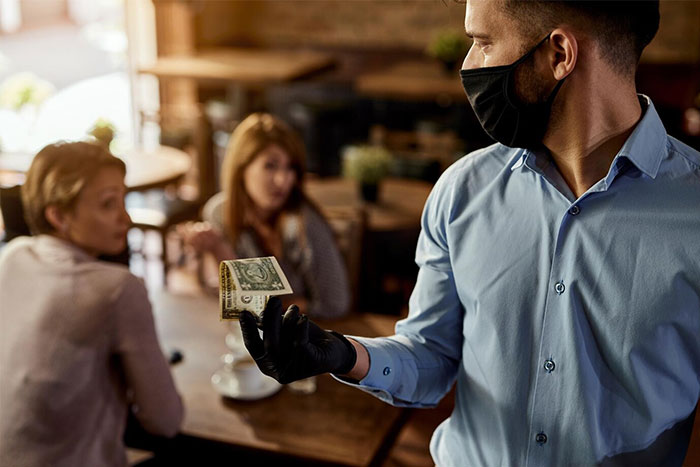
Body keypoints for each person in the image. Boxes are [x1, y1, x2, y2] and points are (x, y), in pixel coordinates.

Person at [238, 1, 700, 465]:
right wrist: (340, 354)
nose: (468, 66)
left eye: (482, 43)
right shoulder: (463, 191)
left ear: (559, 54)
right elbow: (431, 355)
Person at [0, 141, 183, 467]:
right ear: (58, 216)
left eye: (123, 200)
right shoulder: (119, 289)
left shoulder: (13, 256)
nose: (125, 218)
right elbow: (165, 420)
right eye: (108, 204)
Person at [184, 112, 350, 319]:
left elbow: (335, 304)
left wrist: (270, 305)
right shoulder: (219, 212)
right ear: (241, 168)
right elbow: (228, 300)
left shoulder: (303, 224)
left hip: (305, 339)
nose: (283, 180)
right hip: (248, 336)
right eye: (270, 166)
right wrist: (210, 251)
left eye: (291, 168)